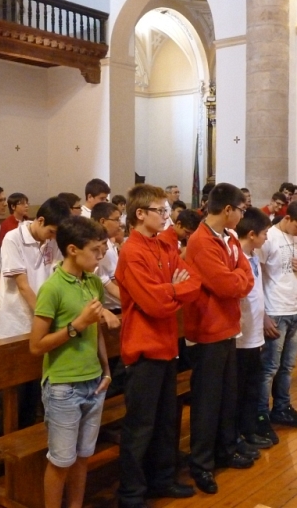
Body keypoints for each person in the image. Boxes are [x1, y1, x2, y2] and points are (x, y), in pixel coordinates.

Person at [116, 184, 200, 508]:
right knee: (140, 427)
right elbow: (152, 304)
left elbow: (193, 282)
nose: (167, 217)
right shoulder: (132, 251)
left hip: (167, 345)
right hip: (144, 348)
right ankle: (131, 494)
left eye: (167, 211)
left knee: (166, 420)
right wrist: (172, 291)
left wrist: (171, 291)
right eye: (161, 211)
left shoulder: (162, 246)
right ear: (141, 214)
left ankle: (162, 479)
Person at [29, 216, 111, 508]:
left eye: (103, 249)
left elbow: (97, 329)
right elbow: (36, 346)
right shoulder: (52, 288)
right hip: (63, 386)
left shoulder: (91, 282)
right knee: (62, 461)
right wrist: (76, 325)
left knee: (82, 458)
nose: (101, 256)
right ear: (73, 249)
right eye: (96, 250)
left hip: (94, 382)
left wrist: (107, 369)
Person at [184, 183, 255, 495]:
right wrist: (237, 279)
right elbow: (227, 285)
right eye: (240, 209)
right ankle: (201, 463)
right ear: (227, 209)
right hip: (208, 329)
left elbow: (245, 275)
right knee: (207, 400)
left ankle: (226, 449)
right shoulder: (201, 241)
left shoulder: (230, 237)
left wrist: (237, 279)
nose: (242, 215)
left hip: (228, 325)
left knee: (227, 394)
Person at [0, 197, 71, 431]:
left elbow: (58, 277)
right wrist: (46, 319)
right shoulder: (13, 238)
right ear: (40, 220)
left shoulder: (52, 241)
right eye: (51, 230)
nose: (52, 236)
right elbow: (23, 285)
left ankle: (30, 440)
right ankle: (7, 441)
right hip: (16, 322)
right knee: (15, 394)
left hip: (42, 322)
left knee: (36, 391)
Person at [256, 200, 297, 445]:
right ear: (288, 218)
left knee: (288, 366)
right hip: (275, 310)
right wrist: (262, 314)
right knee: (269, 368)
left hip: (296, 308)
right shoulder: (268, 237)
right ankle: (260, 416)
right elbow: (255, 276)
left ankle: (282, 408)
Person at [235, 207, 274, 452]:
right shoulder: (236, 256)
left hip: (255, 333)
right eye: (264, 234)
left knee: (252, 386)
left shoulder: (253, 257)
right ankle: (239, 433)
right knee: (239, 389)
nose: (267, 238)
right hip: (241, 335)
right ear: (251, 234)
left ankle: (250, 430)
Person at [90, 202, 122, 311]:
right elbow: (114, 283)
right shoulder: (102, 248)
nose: (120, 223)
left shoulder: (108, 243)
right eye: (116, 219)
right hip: (113, 308)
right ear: (102, 221)